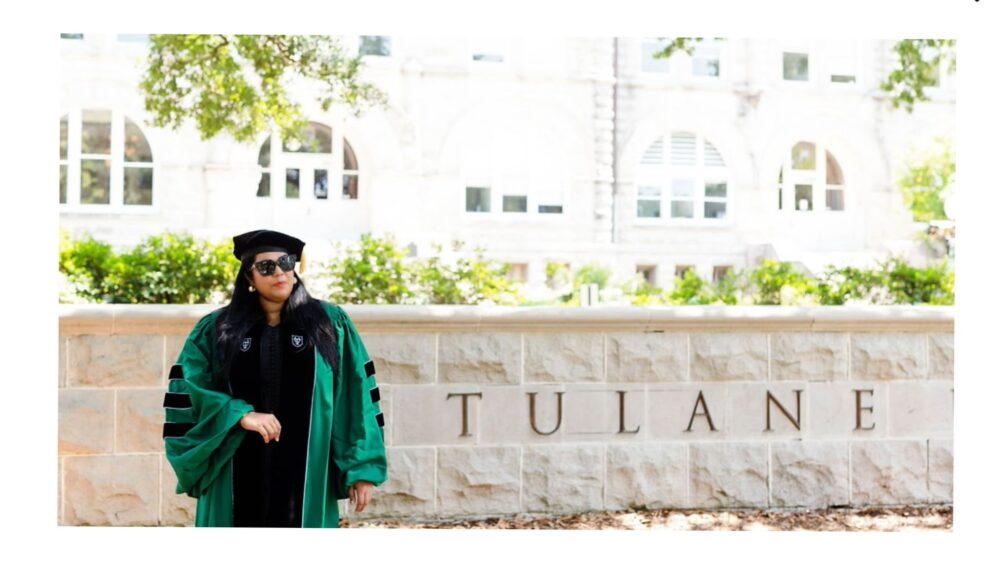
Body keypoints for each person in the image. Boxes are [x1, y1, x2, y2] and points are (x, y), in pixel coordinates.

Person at [162, 229, 387, 527]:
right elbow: (190, 387)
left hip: (308, 473)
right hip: (233, 465)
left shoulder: (330, 324)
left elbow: (356, 396)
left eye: (285, 261)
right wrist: (240, 414)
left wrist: (361, 468)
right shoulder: (217, 329)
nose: (279, 272)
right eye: (266, 267)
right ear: (248, 278)